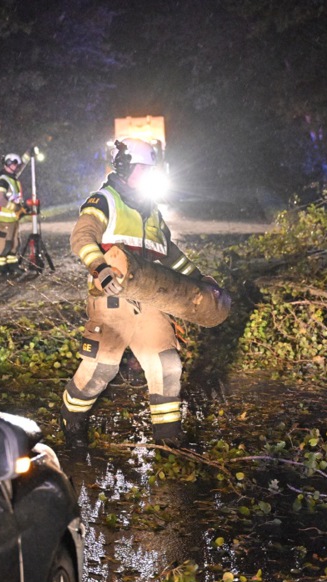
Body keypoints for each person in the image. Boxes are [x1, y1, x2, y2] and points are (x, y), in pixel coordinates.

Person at [60, 137, 215, 449]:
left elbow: (170, 255)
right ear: (125, 166)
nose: (149, 176)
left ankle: (168, 441)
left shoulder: (153, 212)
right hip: (111, 301)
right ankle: (71, 421)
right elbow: (82, 236)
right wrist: (100, 269)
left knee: (166, 365)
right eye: (144, 169)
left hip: (151, 301)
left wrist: (199, 282)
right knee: (100, 371)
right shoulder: (104, 200)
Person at [0, 153, 30, 274]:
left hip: (13, 218)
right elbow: (0, 199)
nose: (17, 167)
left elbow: (22, 165)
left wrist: (29, 154)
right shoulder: (2, 180)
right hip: (4, 219)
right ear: (8, 163)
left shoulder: (12, 178)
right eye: (14, 164)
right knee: (4, 243)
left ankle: (12, 265)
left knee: (14, 242)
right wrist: (14, 207)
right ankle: (0, 267)